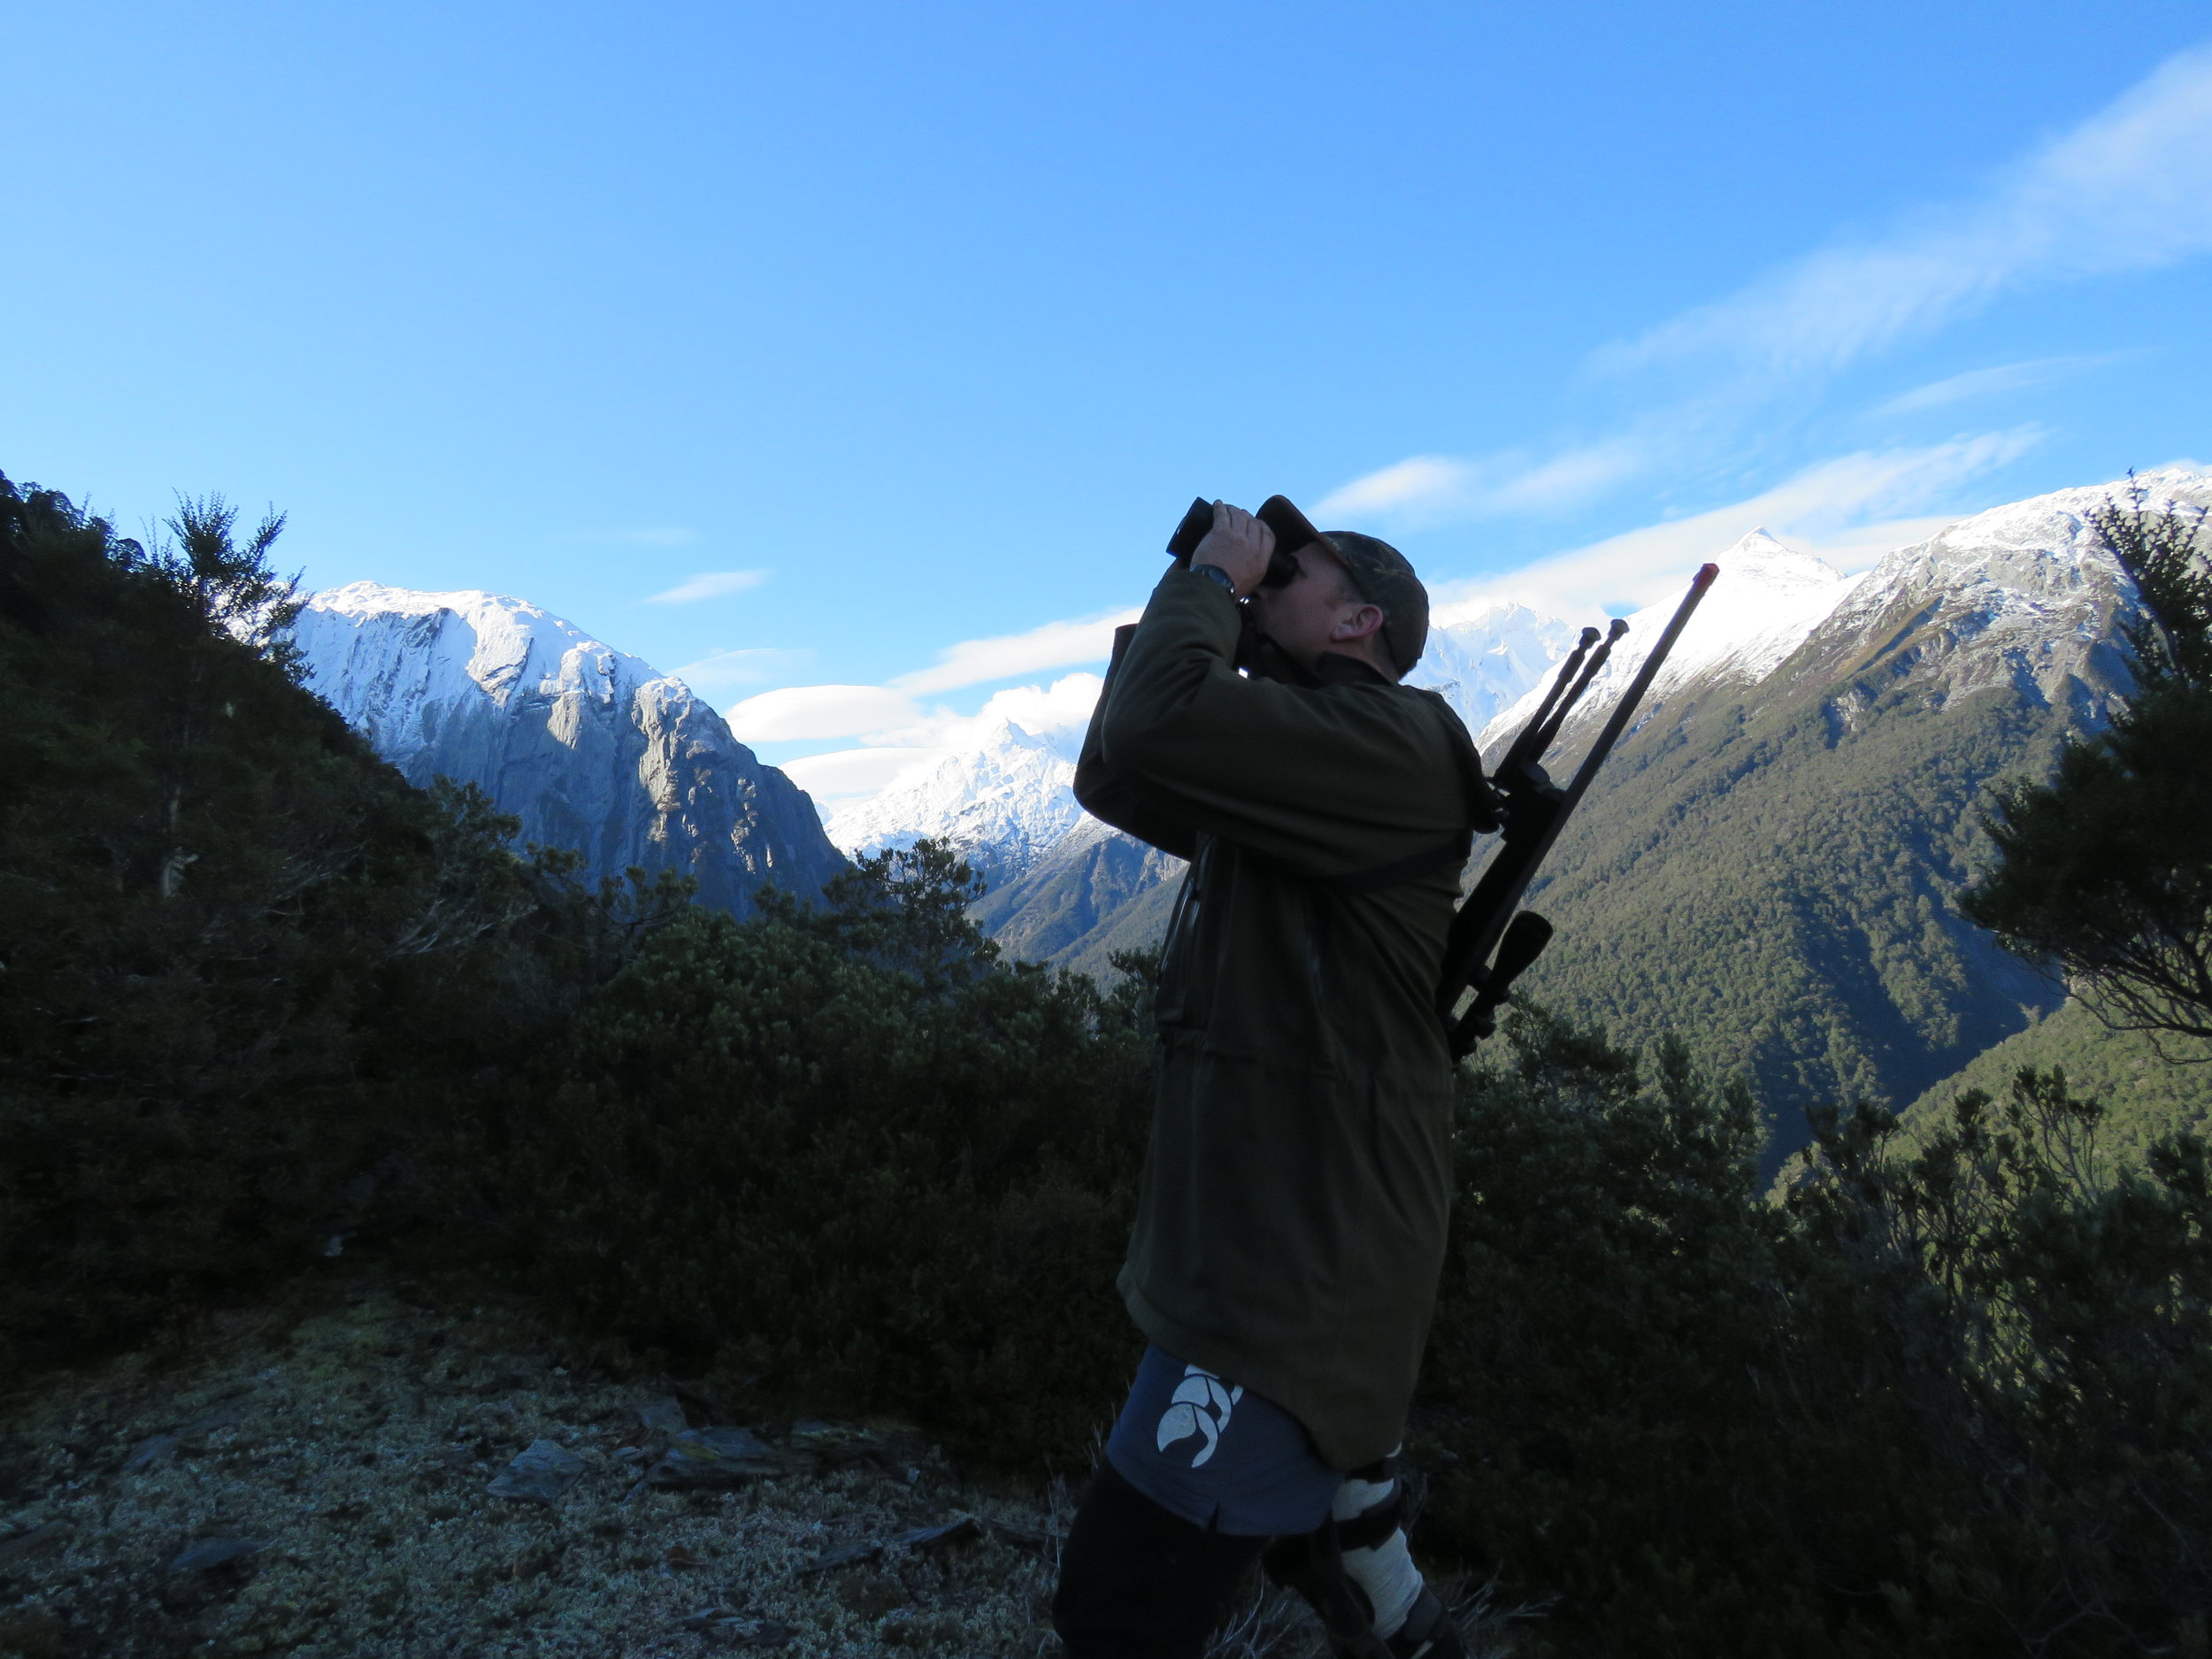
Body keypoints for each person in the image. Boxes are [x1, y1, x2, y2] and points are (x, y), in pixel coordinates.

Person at [1052, 499, 1496, 1659]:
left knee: (1120, 1601)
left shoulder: (1386, 746)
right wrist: (1206, 613)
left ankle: (1351, 1530)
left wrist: (1207, 583)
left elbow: (1157, 727)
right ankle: (1360, 1546)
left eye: (1291, 571)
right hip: (1258, 1240)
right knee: (1268, 1575)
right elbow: (1117, 771)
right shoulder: (1307, 758)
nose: (1265, 574)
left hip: (1298, 1270)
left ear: (1359, 620)